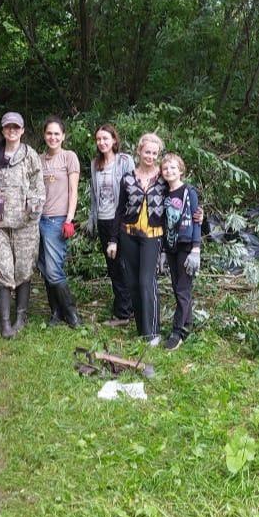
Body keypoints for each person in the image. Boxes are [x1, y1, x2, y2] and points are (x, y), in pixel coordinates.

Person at [0, 111, 44, 339]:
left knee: (23, 268)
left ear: (22, 130)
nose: (12, 131)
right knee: (3, 269)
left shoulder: (30, 155)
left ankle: (21, 316)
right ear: (2, 129)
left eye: (16, 127)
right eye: (8, 127)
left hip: (25, 223)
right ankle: (4, 322)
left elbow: (38, 185)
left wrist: (32, 207)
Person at [110, 132, 168, 345]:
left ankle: (153, 332)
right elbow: (119, 210)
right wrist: (113, 240)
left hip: (153, 236)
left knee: (146, 282)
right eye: (147, 152)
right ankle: (142, 330)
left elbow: (181, 196)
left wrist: (196, 212)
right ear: (139, 151)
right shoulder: (128, 178)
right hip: (129, 235)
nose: (150, 156)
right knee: (133, 283)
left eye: (154, 153)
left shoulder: (163, 179)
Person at [86, 123, 135, 326]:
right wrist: (92, 219)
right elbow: (94, 195)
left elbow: (133, 190)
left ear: (114, 140)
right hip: (103, 221)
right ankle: (125, 309)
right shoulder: (95, 163)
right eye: (98, 139)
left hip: (120, 221)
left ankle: (124, 312)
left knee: (123, 265)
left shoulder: (124, 161)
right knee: (113, 266)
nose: (102, 142)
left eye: (105, 138)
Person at [38, 116, 82, 327]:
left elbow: (73, 190)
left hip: (57, 221)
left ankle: (71, 313)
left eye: (57, 133)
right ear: (44, 135)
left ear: (63, 136)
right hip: (38, 220)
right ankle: (56, 311)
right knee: (44, 267)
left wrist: (69, 219)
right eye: (49, 133)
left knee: (54, 270)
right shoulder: (38, 159)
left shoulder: (69, 157)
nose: (53, 137)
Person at [160, 153, 201, 351]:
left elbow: (196, 219)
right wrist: (162, 250)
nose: (169, 171)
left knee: (183, 289)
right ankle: (187, 326)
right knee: (178, 288)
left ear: (181, 170)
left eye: (173, 168)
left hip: (186, 245)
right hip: (171, 246)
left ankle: (176, 333)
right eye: (165, 168)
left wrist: (196, 248)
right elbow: (163, 222)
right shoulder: (164, 193)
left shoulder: (189, 191)